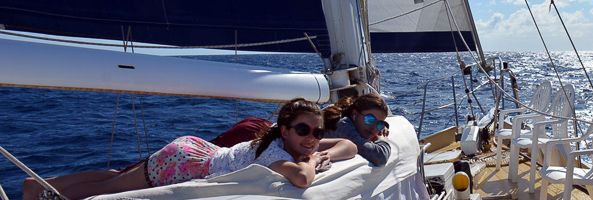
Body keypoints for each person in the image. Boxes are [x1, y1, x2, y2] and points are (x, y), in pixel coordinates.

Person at [23, 98, 357, 200]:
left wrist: (322, 151)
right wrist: (313, 159)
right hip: (184, 163)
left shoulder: (282, 138)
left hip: (194, 151)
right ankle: (45, 194)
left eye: (317, 132)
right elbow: (301, 179)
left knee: (118, 176)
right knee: (112, 188)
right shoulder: (276, 154)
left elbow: (348, 145)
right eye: (303, 130)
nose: (312, 138)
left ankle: (40, 184)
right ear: (285, 129)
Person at [323, 93, 391, 167]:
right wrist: (383, 139)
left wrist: (382, 126)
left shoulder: (351, 121)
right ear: (354, 114)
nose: (374, 128)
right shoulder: (343, 127)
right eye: (370, 119)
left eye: (379, 124)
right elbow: (380, 157)